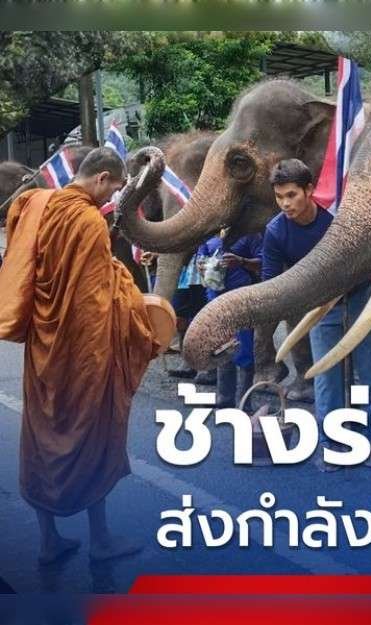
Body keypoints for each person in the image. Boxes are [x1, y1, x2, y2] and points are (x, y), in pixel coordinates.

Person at [0, 148, 161, 564]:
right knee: (94, 436)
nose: (114, 194)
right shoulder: (88, 219)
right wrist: (125, 285)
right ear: (102, 178)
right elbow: (96, 300)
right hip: (83, 351)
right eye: (116, 186)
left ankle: (48, 540)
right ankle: (101, 540)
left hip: (43, 348)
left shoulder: (36, 203)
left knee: (40, 437)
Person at [261, 159, 371, 470]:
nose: (286, 204)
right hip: (318, 304)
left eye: (292, 195)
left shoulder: (336, 219)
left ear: (310, 190)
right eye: (279, 197)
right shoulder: (276, 232)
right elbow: (271, 281)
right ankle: (331, 444)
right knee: (325, 376)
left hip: (360, 294)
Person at [197, 230, 262, 408]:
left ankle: (244, 402)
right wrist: (202, 265)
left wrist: (241, 261)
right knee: (220, 347)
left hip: (241, 299)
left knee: (244, 349)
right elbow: (200, 257)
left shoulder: (249, 234)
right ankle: (224, 399)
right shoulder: (208, 235)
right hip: (215, 298)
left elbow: (263, 262)